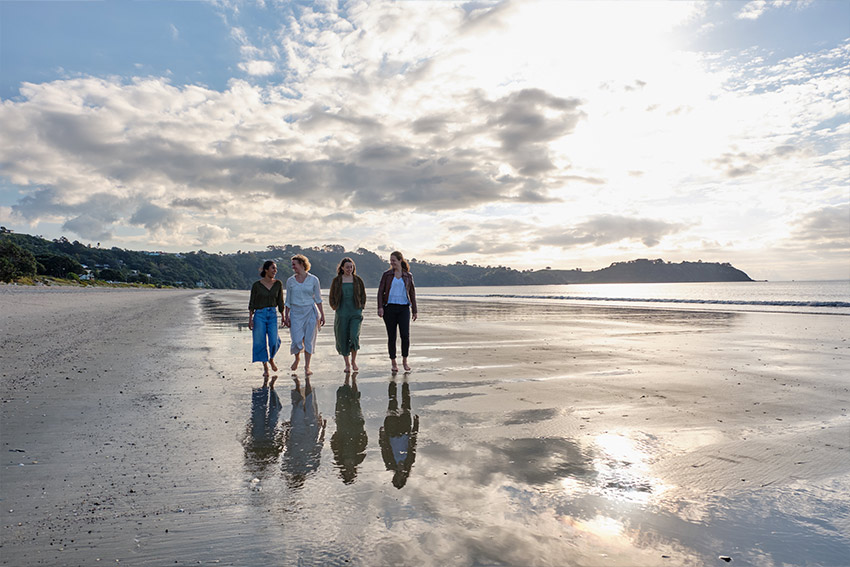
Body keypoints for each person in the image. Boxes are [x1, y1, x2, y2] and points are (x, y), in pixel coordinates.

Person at [284, 254, 325, 375]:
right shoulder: (290, 281)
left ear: (302, 264)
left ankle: (307, 366)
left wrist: (322, 314)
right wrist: (286, 316)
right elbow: (288, 300)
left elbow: (318, 299)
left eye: (294, 264)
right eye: (292, 264)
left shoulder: (313, 279)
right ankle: (297, 358)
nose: (293, 267)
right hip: (296, 312)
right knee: (296, 340)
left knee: (309, 341)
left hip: (310, 312)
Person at [377, 250, 417, 372]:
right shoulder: (387, 275)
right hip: (389, 308)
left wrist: (415, 310)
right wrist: (380, 307)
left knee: (405, 335)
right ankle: (394, 362)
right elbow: (380, 292)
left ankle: (405, 361)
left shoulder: (408, 276)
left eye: (394, 260)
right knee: (392, 336)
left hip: (404, 308)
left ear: (400, 260)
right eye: (391, 260)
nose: (392, 262)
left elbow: (412, 293)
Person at [379, 377, 419, 489]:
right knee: (406, 405)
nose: (399, 477)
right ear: (404, 478)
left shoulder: (390, 463)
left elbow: (383, 448)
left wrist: (381, 435)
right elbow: (413, 444)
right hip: (405, 429)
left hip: (391, 431)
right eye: (401, 479)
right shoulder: (409, 462)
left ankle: (393, 381)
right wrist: (416, 426)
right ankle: (405, 383)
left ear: (394, 477)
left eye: (396, 479)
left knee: (392, 402)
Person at [329, 257, 367, 373]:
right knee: (343, 337)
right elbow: (331, 296)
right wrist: (334, 307)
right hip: (342, 313)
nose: (349, 269)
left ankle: (354, 361)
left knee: (354, 336)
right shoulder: (337, 281)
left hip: (355, 312)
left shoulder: (358, 280)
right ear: (342, 268)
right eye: (347, 267)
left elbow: (363, 295)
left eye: (351, 267)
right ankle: (347, 364)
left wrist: (361, 307)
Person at [248, 260, 283, 377]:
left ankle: (271, 358)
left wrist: (283, 316)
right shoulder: (256, 285)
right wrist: (250, 318)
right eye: (273, 268)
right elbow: (252, 302)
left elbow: (280, 301)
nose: (275, 271)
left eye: (276, 269)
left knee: (274, 341)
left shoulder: (278, 284)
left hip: (273, 315)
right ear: (266, 270)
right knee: (260, 341)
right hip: (259, 315)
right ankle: (265, 367)